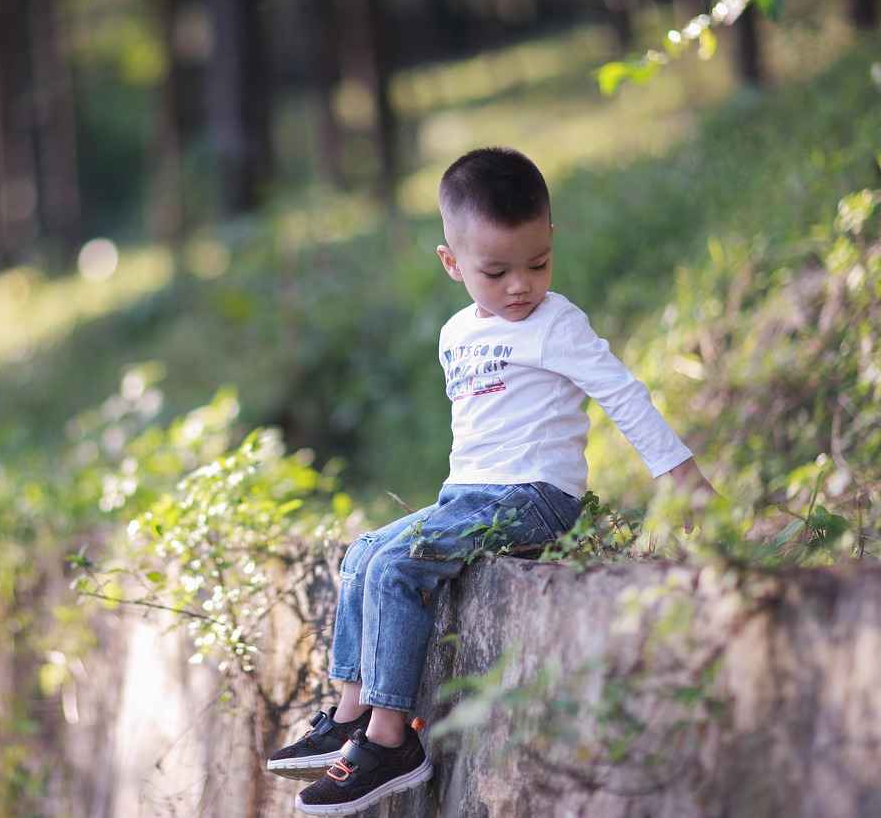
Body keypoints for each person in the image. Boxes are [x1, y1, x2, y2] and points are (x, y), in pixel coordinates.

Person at [267, 147, 715, 816]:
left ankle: (392, 740)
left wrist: (679, 473)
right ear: (452, 263)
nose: (519, 286)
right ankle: (350, 710)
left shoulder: (557, 323)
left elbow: (621, 393)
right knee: (365, 552)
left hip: (534, 498)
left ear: (551, 242)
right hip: (469, 494)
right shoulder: (455, 335)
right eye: (496, 270)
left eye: (537, 263)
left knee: (397, 567)